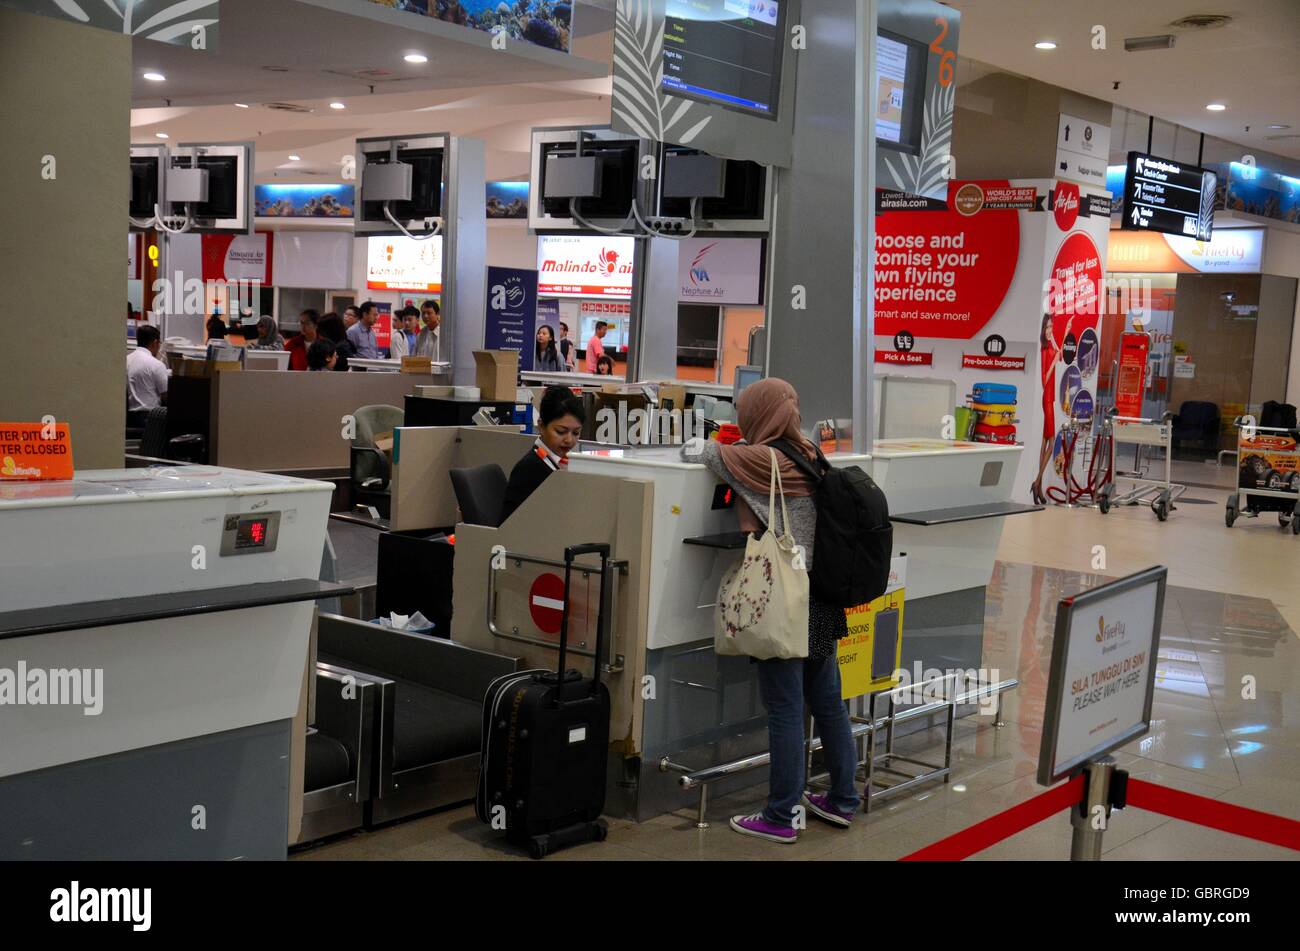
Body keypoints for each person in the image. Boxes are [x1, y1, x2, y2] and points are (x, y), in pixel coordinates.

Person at [681, 378, 860, 844]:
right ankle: (842, 799)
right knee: (827, 703)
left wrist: (728, 444)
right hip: (820, 595)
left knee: (784, 709)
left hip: (784, 599)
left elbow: (695, 450)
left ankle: (781, 816)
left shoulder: (760, 459)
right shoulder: (811, 453)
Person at [500, 386, 586, 523]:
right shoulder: (528, 470)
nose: (569, 440)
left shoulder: (564, 464)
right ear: (541, 426)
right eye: (560, 431)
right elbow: (511, 526)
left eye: (576, 433)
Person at [1031, 312, 1075, 505]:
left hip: (1050, 398)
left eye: (1051, 327)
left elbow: (1058, 352)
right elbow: (1044, 379)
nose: (1049, 330)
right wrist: (1053, 361)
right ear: (1042, 329)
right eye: (1047, 327)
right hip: (1046, 398)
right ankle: (1037, 481)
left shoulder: (1051, 345)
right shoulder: (1043, 350)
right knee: (1050, 439)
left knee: (1043, 442)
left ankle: (1038, 489)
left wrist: (1065, 330)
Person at [126, 325, 169, 428]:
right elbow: (166, 396)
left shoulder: (126, 360)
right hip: (151, 420)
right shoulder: (156, 364)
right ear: (155, 342)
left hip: (129, 418)